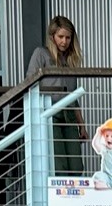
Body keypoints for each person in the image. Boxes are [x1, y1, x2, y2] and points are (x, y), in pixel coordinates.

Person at [24, 14, 89, 175]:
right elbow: (29, 85)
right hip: (49, 112)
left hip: (69, 115)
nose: (64, 41)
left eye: (68, 37)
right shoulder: (41, 53)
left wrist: (82, 125)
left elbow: (74, 96)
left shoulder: (71, 59)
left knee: (76, 166)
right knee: (59, 165)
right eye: (60, 37)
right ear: (52, 36)